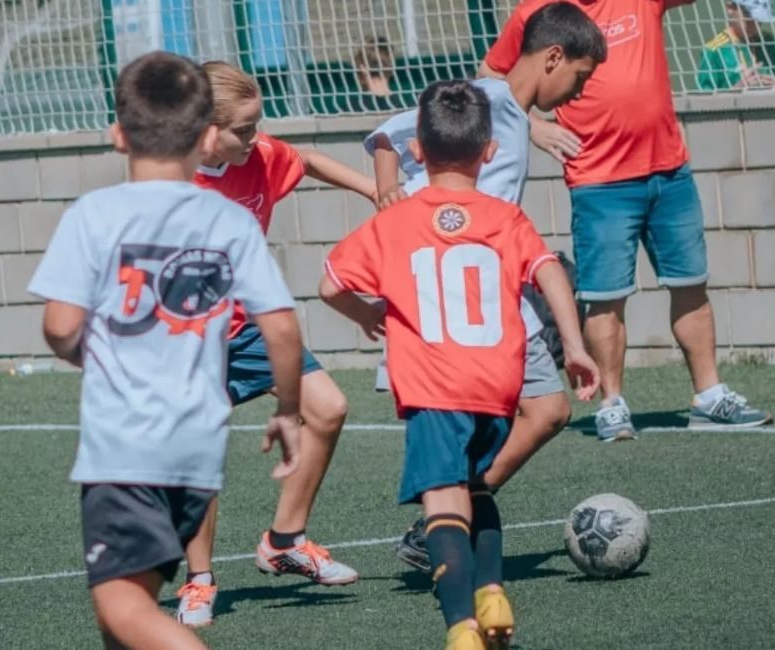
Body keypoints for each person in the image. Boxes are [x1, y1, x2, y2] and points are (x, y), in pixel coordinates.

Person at [27, 51, 303, 649]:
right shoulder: (227, 219)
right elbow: (280, 326)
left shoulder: (94, 214)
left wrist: (81, 351)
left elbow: (58, 324)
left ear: (118, 135)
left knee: (122, 609)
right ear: (206, 135)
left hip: (124, 446)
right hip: (196, 450)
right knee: (130, 614)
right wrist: (286, 409)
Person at [322, 80, 600, 650]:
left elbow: (329, 284)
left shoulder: (394, 220)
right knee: (475, 488)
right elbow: (548, 271)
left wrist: (364, 314)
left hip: (433, 382)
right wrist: (572, 345)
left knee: (444, 502)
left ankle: (461, 628)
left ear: (416, 152)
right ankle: (492, 590)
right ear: (490, 152)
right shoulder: (504, 217)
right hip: (498, 380)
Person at [365, 0, 605, 572]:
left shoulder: (516, 114)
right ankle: (444, 525)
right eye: (579, 77)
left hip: (501, 287)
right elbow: (386, 134)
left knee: (547, 411)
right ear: (553, 57)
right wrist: (387, 192)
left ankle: (441, 522)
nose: (578, 92)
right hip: (463, 298)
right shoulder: (486, 102)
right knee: (524, 412)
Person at [483, 0, 771, 440]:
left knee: (691, 283)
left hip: (669, 171)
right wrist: (532, 127)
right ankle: (611, 404)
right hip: (598, 181)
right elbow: (491, 73)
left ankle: (709, 396)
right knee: (605, 297)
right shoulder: (534, 12)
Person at [174, 61, 378, 627]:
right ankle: (199, 582)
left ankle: (285, 540)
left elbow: (305, 158)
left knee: (330, 408)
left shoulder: (259, 156)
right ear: (205, 130)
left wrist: (371, 190)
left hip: (253, 331)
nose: (256, 137)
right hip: (193, 341)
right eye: (244, 128)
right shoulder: (170, 185)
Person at [696, 0, 775, 90]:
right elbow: (703, 99)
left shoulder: (768, 41)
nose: (755, 23)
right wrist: (737, 89)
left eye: (760, 18)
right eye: (749, 15)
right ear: (730, 8)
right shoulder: (715, 50)